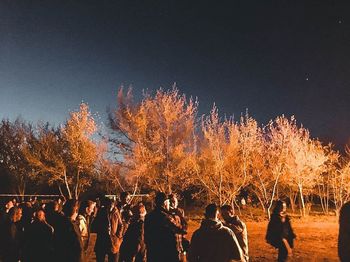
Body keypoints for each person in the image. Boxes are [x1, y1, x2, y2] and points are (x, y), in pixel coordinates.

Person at [144, 192, 186, 262]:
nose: (170, 204)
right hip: (166, 252)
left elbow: (146, 234)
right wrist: (179, 217)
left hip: (152, 251)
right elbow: (180, 229)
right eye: (169, 202)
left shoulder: (149, 216)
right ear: (164, 202)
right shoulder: (166, 217)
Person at [93, 197, 123, 262]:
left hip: (113, 240)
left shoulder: (116, 212)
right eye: (109, 206)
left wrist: (118, 236)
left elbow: (120, 225)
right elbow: (95, 224)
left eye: (111, 206)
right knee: (100, 258)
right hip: (102, 239)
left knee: (113, 258)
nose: (110, 208)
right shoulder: (101, 212)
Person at [169, 193, 189, 261]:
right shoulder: (167, 212)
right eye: (171, 202)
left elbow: (184, 224)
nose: (173, 203)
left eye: (174, 201)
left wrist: (183, 234)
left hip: (180, 238)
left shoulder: (180, 211)